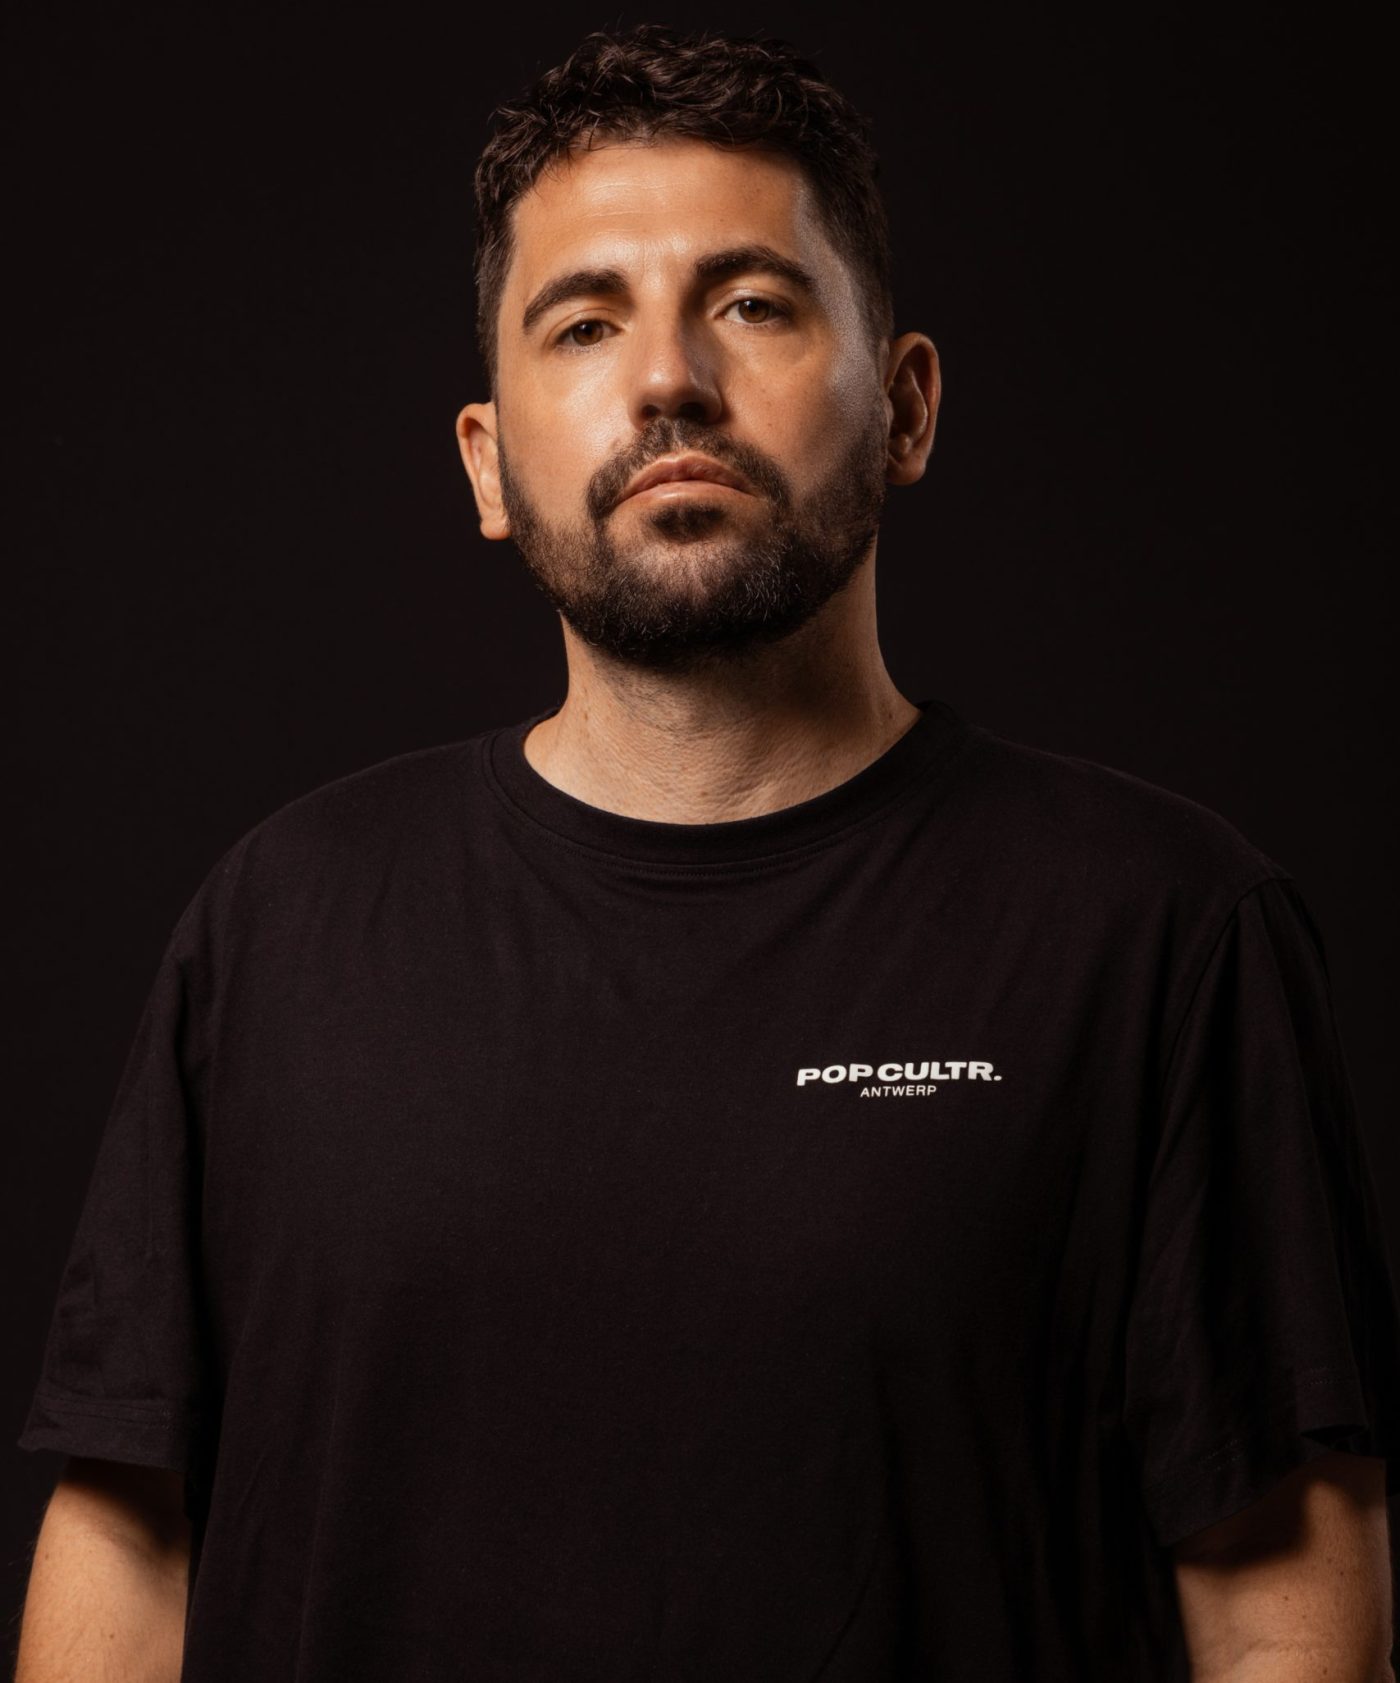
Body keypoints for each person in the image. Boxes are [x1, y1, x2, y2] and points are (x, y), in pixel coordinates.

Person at [14, 23, 1399, 1682]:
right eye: (585, 322)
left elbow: (1283, 1628)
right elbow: (129, 1555)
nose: (668, 378)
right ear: (488, 464)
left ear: (907, 406)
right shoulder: (280, 927)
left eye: (751, 303)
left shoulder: (1162, 931)